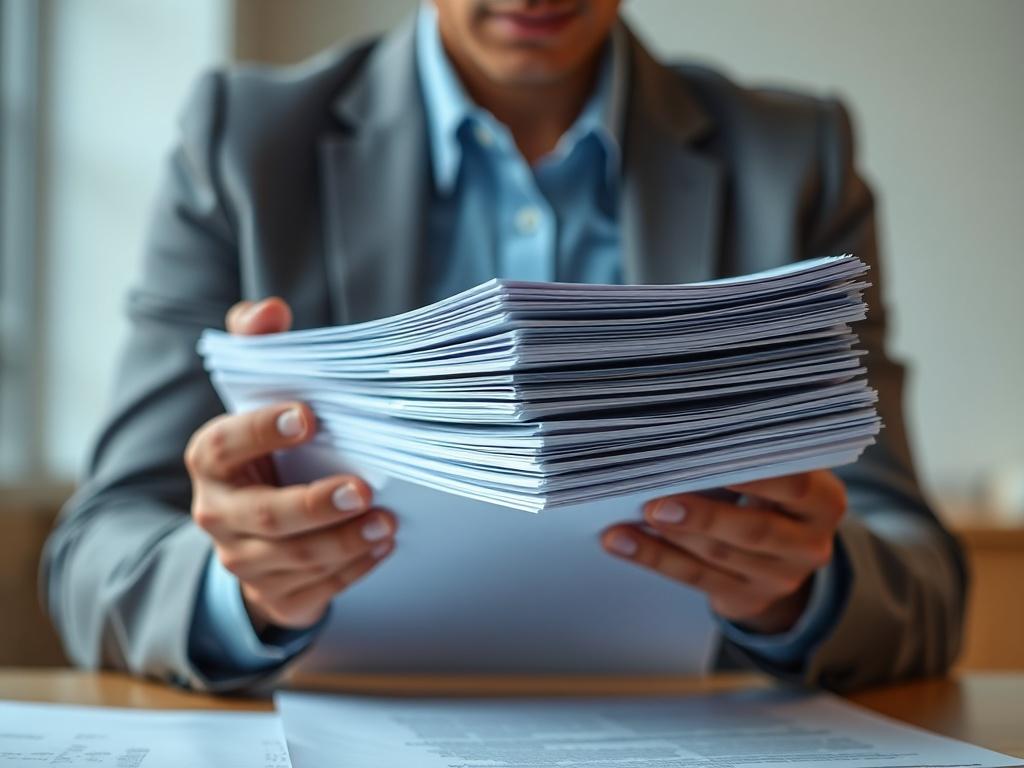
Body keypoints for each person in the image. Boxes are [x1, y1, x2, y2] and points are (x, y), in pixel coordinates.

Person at [42, 0, 966, 692]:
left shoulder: (792, 157)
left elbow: (920, 580)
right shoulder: (241, 146)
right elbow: (97, 555)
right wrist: (240, 586)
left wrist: (799, 590)